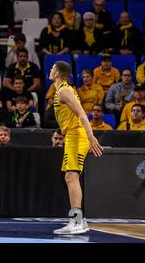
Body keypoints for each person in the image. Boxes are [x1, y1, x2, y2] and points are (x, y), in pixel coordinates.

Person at [49, 61, 103, 234]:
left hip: (77, 135)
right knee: (70, 177)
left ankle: (76, 222)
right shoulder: (61, 90)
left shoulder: (64, 90)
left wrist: (91, 137)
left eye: (52, 69)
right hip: (71, 135)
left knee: (71, 177)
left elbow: (82, 113)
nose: (49, 71)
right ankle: (80, 221)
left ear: (57, 73)